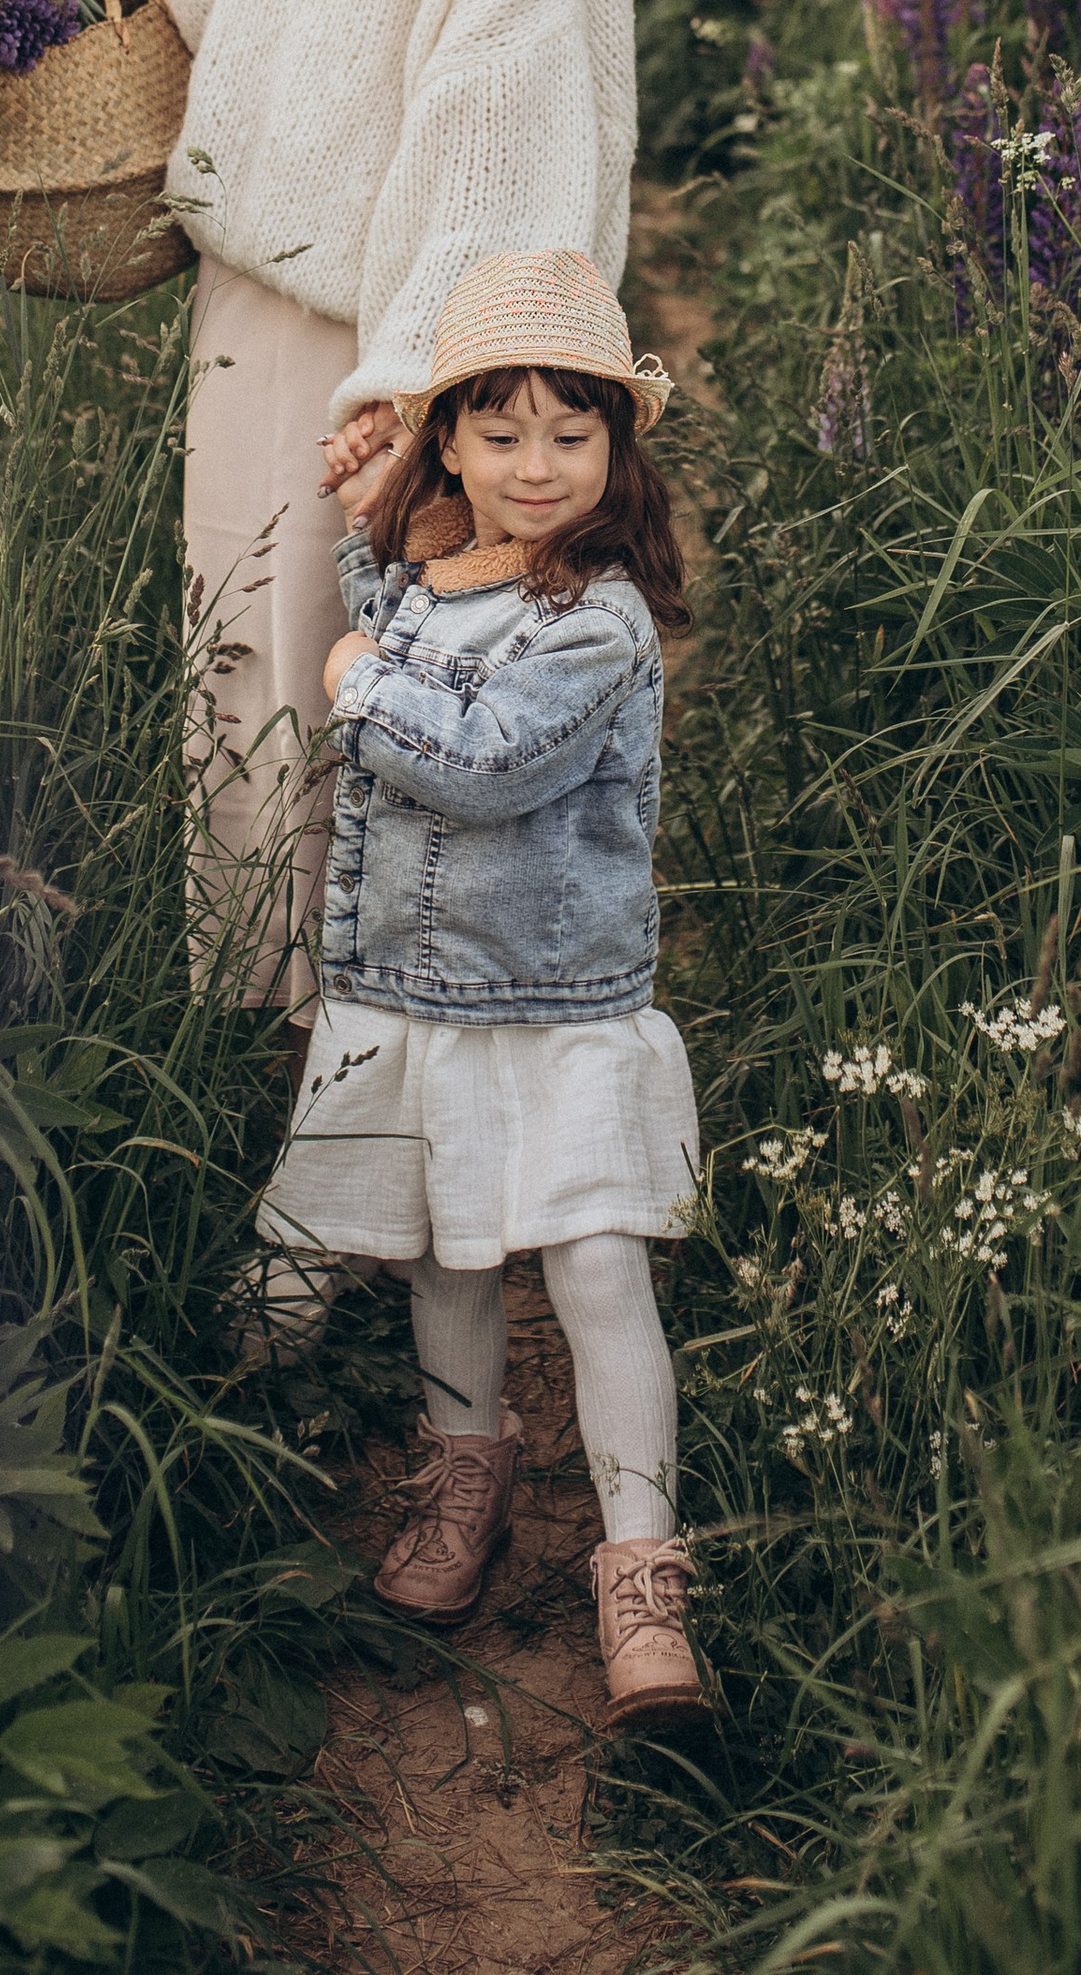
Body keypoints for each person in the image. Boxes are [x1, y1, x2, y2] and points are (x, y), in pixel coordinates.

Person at [67, 0, 639, 1023]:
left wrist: (426, 373)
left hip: (408, 321)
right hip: (261, 280)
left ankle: (394, 1071)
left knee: (397, 691)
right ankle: (261, 1037)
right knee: (245, 659)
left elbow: (509, 75)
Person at [254, 248, 706, 1736]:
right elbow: (399, 597)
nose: (537, 468)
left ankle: (643, 1570)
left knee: (591, 1267)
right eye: (499, 434)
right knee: (448, 1259)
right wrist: (362, 498)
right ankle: (469, 1487)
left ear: (615, 449)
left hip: (558, 1003)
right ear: (449, 436)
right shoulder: (445, 568)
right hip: (418, 996)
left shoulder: (603, 618)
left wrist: (349, 681)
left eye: (571, 436)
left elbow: (482, 759)